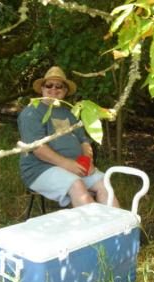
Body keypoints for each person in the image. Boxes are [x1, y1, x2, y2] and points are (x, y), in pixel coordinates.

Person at [18, 66, 119, 208]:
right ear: (42, 88)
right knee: (76, 185)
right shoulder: (31, 112)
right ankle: (92, 228)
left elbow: (84, 142)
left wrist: (87, 161)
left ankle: (119, 229)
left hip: (75, 165)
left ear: (65, 91)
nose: (54, 89)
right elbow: (38, 148)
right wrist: (66, 164)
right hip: (40, 169)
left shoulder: (69, 113)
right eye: (49, 85)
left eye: (59, 86)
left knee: (104, 184)